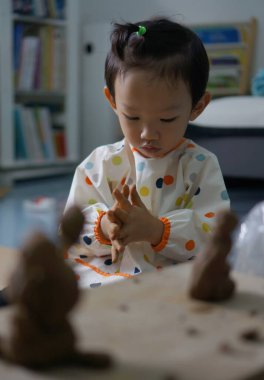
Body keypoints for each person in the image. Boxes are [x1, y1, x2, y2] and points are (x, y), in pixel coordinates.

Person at [64, 17, 230, 289]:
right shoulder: (99, 164)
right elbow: (69, 231)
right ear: (113, 101)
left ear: (197, 107)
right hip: (100, 278)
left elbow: (215, 238)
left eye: (166, 120)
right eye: (132, 116)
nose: (147, 134)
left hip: (170, 283)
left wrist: (157, 230)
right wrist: (105, 226)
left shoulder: (200, 166)